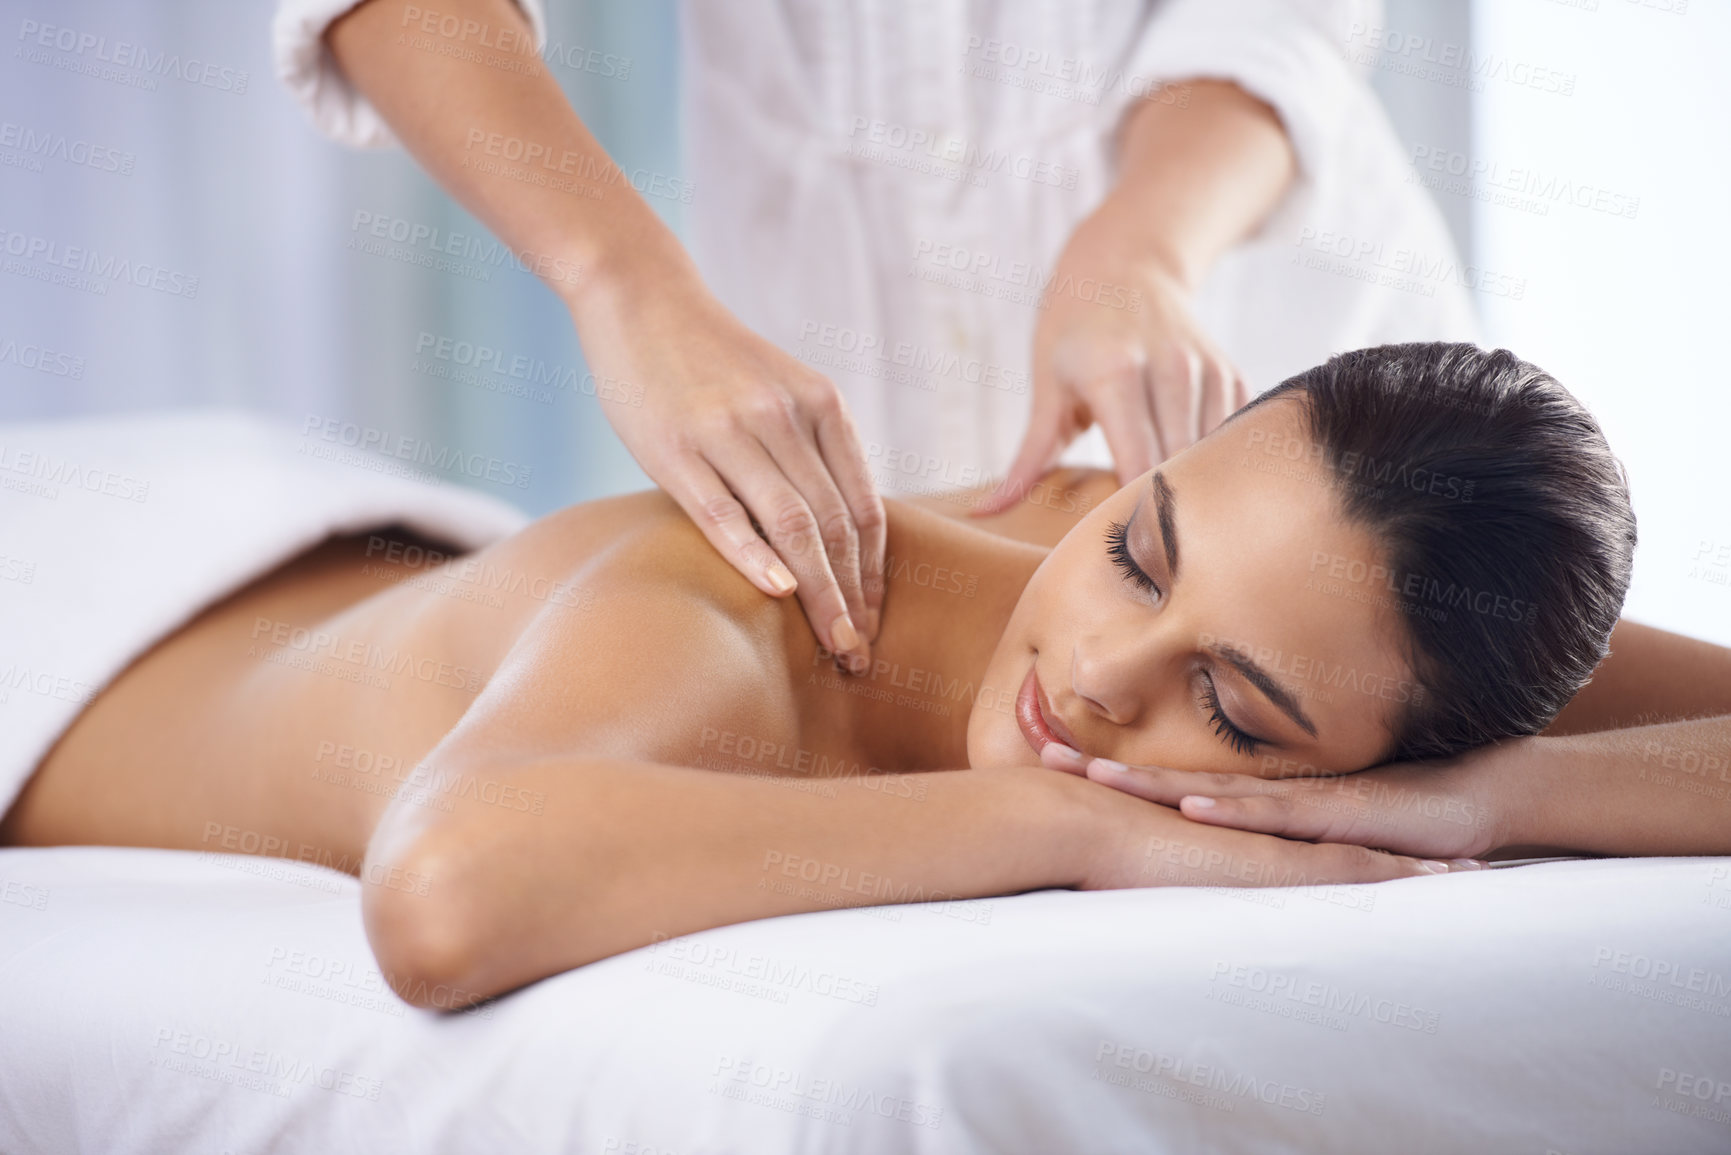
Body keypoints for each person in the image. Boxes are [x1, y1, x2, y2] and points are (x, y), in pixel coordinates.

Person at [7, 342, 1729, 1010]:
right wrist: (1076, 829)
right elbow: (445, 905)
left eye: (1236, 710)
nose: (1102, 669)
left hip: (359, 559)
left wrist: (1474, 802)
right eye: (1139, 542)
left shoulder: (1361, 623)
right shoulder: (728, 620)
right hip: (75, 598)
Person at [273, 0, 1478, 678]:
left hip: (1250, 268)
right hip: (837, 361)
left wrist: (1146, 246)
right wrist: (621, 283)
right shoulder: (682, 653)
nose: (1109, 680)